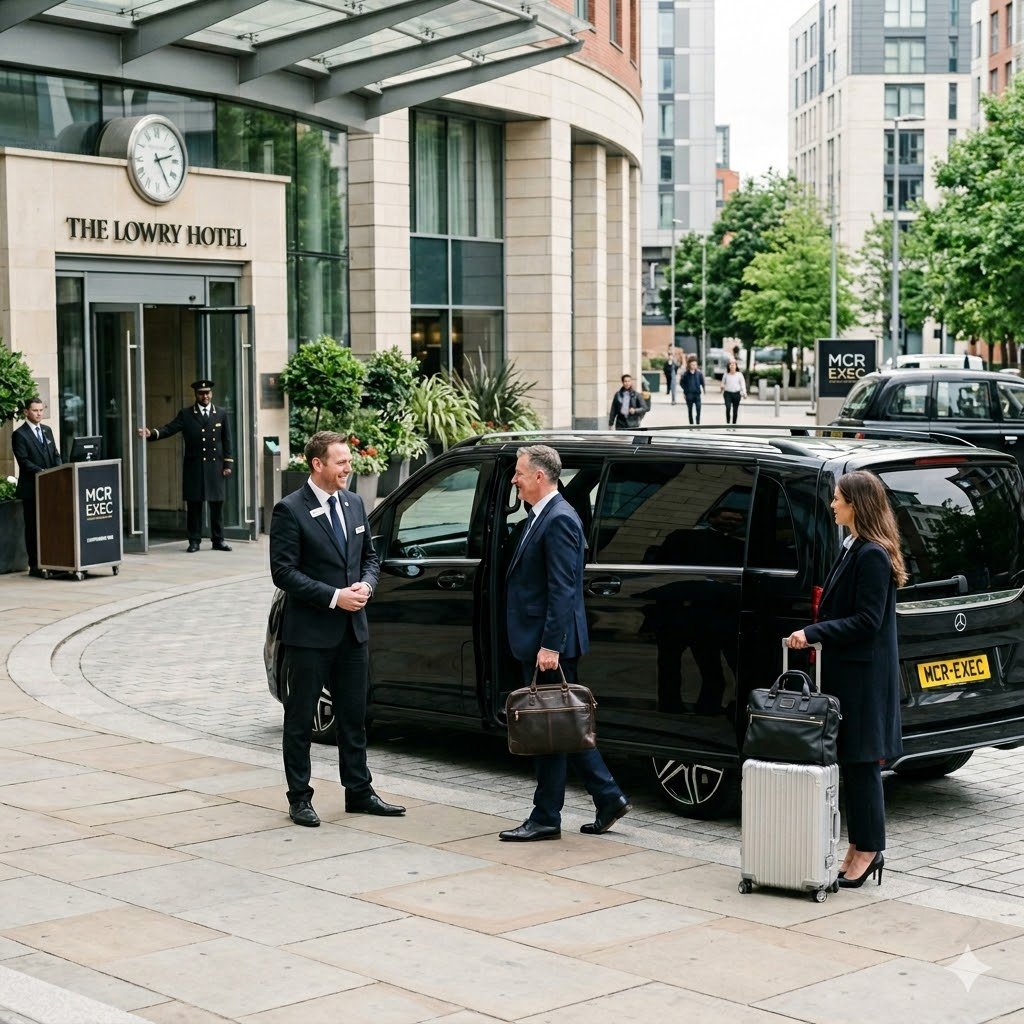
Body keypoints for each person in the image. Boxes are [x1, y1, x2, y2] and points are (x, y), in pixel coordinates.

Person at [269, 430, 404, 827]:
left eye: (348, 461)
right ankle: (300, 798)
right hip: (309, 635)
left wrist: (366, 584)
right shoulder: (289, 510)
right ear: (318, 464)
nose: (349, 468)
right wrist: (334, 597)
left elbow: (370, 558)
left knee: (353, 717)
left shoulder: (355, 503)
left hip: (352, 633)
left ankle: (359, 792)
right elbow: (283, 572)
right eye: (342, 462)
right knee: (299, 720)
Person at [499, 444, 630, 842]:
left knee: (555, 726)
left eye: (520, 473)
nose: (514, 480)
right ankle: (606, 797)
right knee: (560, 725)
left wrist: (551, 646)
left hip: (550, 645)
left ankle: (547, 816)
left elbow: (563, 590)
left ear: (540, 477)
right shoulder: (541, 515)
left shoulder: (558, 519)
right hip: (540, 641)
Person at [785, 470, 906, 889]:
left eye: (838, 498)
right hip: (850, 676)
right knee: (853, 766)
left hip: (863, 680)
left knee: (862, 765)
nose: (832, 504)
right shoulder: (852, 546)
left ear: (856, 504)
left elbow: (867, 621)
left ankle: (869, 850)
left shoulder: (871, 553)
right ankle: (857, 848)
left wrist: (813, 633)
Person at [138, 380, 233, 553]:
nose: (205, 396)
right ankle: (194, 541)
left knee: (216, 505)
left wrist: (227, 463)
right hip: (194, 467)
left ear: (211, 394)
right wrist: (152, 433)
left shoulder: (221, 413)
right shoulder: (187, 414)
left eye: (207, 393)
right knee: (194, 506)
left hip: (215, 467)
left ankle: (218, 540)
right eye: (201, 393)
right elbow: (170, 428)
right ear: (195, 395)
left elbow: (227, 440)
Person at [11, 397, 61, 577]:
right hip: (32, 489)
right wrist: (44, 472)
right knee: (33, 527)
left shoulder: (47, 430)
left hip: (50, 489)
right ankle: (35, 565)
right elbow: (24, 462)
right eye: (35, 410)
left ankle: (53, 560)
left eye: (41, 410)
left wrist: (59, 470)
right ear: (26, 412)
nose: (39, 413)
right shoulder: (20, 434)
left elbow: (55, 454)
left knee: (51, 526)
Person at [680, 356, 706, 425]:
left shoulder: (699, 373)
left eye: (695, 364)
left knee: (698, 409)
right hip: (689, 395)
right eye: (692, 364)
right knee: (690, 411)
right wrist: (685, 391)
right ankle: (691, 425)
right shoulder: (685, 374)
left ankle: (698, 424)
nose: (694, 366)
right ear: (689, 365)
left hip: (697, 395)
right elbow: (681, 383)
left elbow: (702, 382)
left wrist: (704, 390)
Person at [720, 359, 747, 424]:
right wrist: (722, 387)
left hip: (736, 394)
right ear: (729, 366)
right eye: (730, 365)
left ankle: (734, 424)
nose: (732, 366)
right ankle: (728, 423)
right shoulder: (726, 374)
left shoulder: (739, 374)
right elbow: (722, 383)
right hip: (727, 394)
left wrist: (744, 392)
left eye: (733, 365)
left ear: (736, 366)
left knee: (735, 410)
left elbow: (742, 384)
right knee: (728, 408)